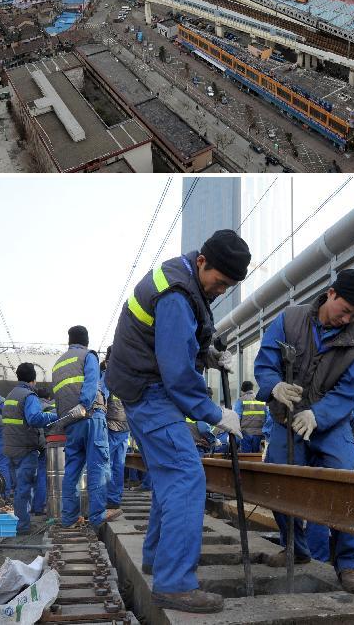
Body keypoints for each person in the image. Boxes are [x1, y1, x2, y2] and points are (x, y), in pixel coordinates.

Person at [106, 229, 250, 615]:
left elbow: (183, 343)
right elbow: (175, 369)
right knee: (187, 476)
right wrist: (215, 413)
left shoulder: (188, 282)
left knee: (172, 477)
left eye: (228, 286)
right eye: (219, 282)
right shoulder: (176, 294)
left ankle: (156, 558)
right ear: (202, 262)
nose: (221, 290)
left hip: (145, 389)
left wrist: (208, 356)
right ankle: (174, 584)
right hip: (150, 392)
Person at [254, 268, 354, 595]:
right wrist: (274, 386)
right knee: (278, 473)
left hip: (329, 422)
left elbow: (349, 390)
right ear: (332, 293)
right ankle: (296, 547)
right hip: (286, 417)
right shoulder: (290, 319)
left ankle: (349, 563)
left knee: (350, 470)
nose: (347, 318)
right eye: (346, 309)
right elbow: (265, 363)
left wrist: (318, 415)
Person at [52, 325, 118, 531]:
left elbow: (58, 396)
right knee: (98, 464)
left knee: (72, 469)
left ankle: (69, 517)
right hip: (91, 416)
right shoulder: (89, 356)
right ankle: (97, 515)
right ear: (87, 341)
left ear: (69, 341)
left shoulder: (58, 363)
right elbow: (91, 383)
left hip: (70, 422)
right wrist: (85, 404)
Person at [1, 362, 58, 534]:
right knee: (24, 489)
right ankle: (23, 526)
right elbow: (34, 419)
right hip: (25, 449)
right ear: (33, 379)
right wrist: (55, 416)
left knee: (19, 488)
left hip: (11, 448)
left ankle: (22, 521)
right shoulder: (28, 396)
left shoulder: (10, 395)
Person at [102, 347, 130, 511]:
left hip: (111, 426)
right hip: (126, 427)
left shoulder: (108, 376)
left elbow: (101, 399)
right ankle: (114, 498)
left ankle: (106, 497)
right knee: (119, 464)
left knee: (107, 463)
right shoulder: (128, 375)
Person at [33, 387, 55, 515]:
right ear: (48, 398)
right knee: (48, 474)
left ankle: (36, 506)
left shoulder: (33, 405)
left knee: (37, 475)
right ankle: (43, 505)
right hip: (48, 443)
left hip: (34, 444)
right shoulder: (51, 407)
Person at [233, 380, 267, 452]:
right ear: (252, 389)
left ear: (242, 390)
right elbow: (267, 416)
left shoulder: (241, 400)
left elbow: (236, 417)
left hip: (246, 433)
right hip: (259, 434)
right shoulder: (261, 400)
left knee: (246, 458)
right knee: (257, 457)